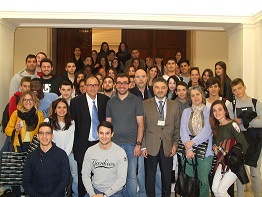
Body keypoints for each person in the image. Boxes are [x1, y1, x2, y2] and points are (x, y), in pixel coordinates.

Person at [70, 75, 109, 197]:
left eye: (95, 85)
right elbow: (72, 125)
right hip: (83, 144)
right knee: (84, 176)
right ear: (85, 87)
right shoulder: (76, 102)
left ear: (99, 86)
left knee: (100, 174)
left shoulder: (104, 100)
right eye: (90, 85)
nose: (92, 88)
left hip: (100, 144)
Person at [106, 73, 144, 197]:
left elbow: (141, 124)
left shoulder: (136, 101)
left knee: (131, 176)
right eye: (119, 83)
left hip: (131, 145)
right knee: (115, 176)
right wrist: (107, 144)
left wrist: (138, 144)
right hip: (114, 145)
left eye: (124, 83)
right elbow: (108, 125)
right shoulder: (111, 102)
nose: (122, 85)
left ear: (129, 84)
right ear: (115, 85)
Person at [142, 77, 180, 197]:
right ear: (153, 89)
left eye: (163, 87)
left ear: (167, 89)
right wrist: (143, 146)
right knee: (150, 178)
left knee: (167, 178)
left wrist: (175, 144)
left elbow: (177, 128)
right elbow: (141, 127)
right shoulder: (145, 104)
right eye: (157, 87)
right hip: (150, 146)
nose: (160, 90)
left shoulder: (175, 105)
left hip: (168, 146)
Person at [227, 78, 262, 197]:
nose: (238, 91)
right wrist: (252, 120)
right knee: (240, 171)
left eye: (239, 88)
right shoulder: (231, 106)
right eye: (234, 90)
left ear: (244, 87)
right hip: (240, 141)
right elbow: (232, 125)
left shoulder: (255, 103)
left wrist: (242, 121)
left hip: (256, 141)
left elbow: (261, 123)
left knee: (255, 173)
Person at [5, 91, 44, 196]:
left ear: (34, 101)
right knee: (16, 174)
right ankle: (16, 194)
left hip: (33, 147)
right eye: (25, 99)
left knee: (31, 173)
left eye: (30, 99)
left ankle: (29, 193)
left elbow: (42, 130)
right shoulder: (16, 114)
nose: (28, 102)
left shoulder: (39, 114)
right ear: (22, 101)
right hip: (18, 147)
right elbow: (7, 130)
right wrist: (16, 129)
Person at [209, 100, 249, 197]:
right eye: (214, 110)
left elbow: (244, 144)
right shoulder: (216, 127)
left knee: (221, 191)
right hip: (223, 162)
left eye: (220, 109)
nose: (217, 113)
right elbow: (215, 141)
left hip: (234, 163)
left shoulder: (232, 124)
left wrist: (235, 159)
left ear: (225, 111)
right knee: (215, 189)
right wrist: (214, 146)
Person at [179, 85, 213, 197]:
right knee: (189, 181)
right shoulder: (186, 112)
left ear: (202, 95)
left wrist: (192, 143)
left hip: (205, 152)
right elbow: (183, 130)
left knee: (203, 181)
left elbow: (207, 130)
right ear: (190, 98)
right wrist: (189, 148)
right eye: (192, 95)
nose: (195, 97)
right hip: (188, 151)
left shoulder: (209, 111)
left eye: (197, 94)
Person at [22, 122, 70, 197]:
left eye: (48, 133)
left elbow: (65, 179)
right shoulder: (31, 157)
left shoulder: (61, 155)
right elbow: (26, 181)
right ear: (37, 136)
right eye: (41, 133)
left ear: (52, 136)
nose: (44, 136)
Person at [82, 121, 128, 197]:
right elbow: (85, 174)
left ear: (112, 134)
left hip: (114, 192)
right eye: (101, 133)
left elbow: (122, 179)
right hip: (95, 191)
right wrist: (92, 194)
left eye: (107, 133)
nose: (104, 137)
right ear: (97, 133)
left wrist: (104, 195)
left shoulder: (120, 152)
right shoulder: (90, 151)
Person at [44, 98, 78, 197]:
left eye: (64, 107)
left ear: (67, 110)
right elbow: (47, 140)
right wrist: (56, 156)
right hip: (51, 155)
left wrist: (62, 157)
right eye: (59, 107)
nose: (62, 110)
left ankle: (75, 194)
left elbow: (70, 142)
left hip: (67, 154)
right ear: (55, 109)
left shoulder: (72, 123)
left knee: (75, 175)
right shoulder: (48, 121)